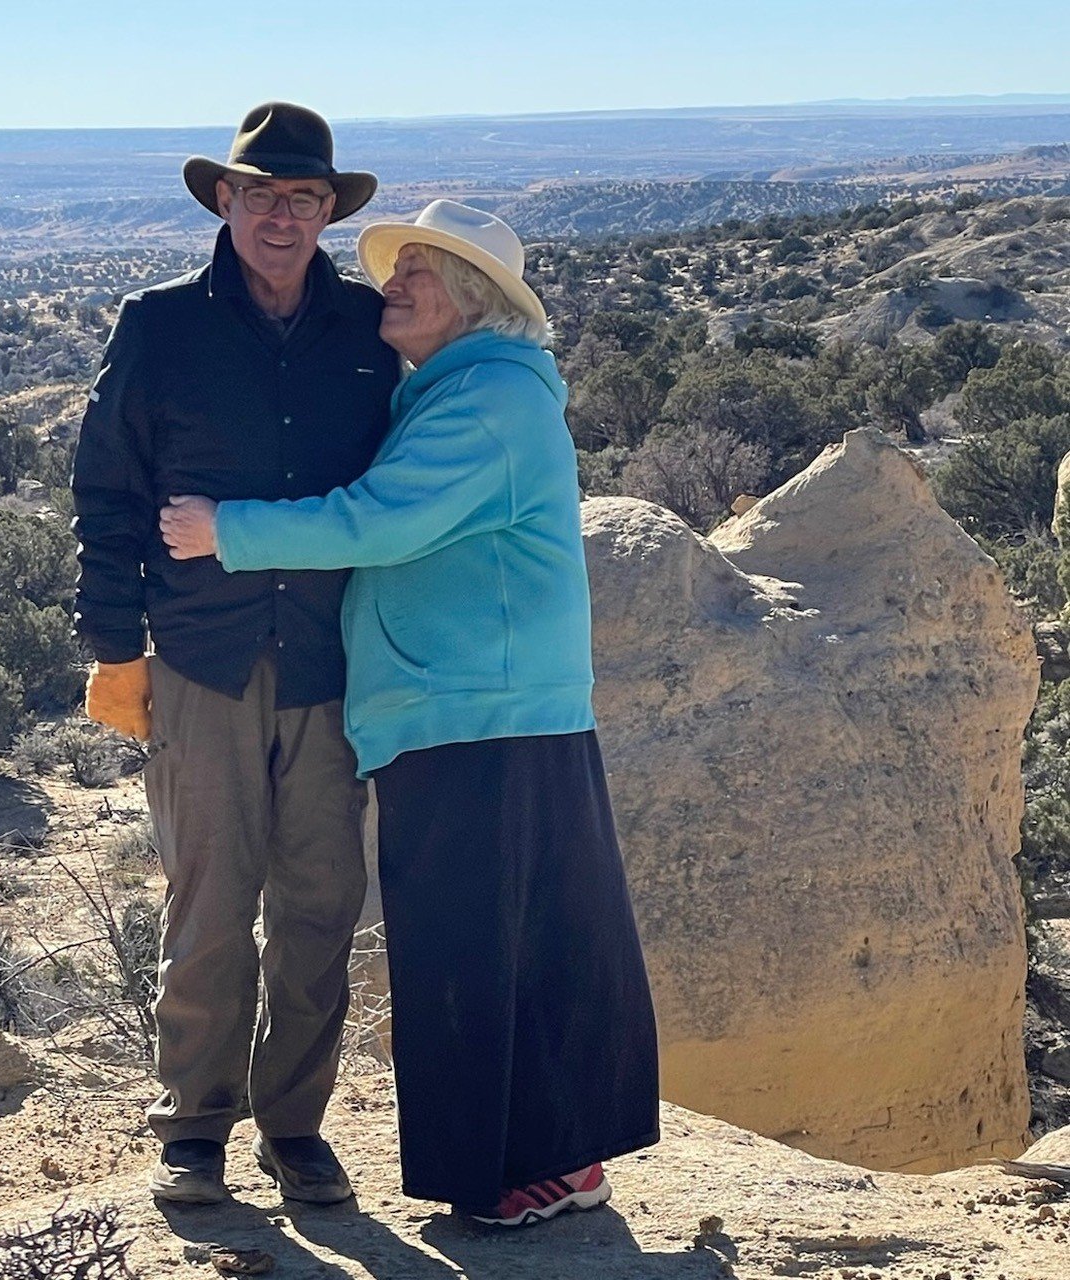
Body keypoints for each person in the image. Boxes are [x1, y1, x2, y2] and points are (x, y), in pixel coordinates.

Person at [159, 199, 660, 1226]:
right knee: (512, 939)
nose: (396, 283)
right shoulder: (457, 390)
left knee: (476, 946)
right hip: (474, 701)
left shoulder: (485, 403)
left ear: (473, 300)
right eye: (396, 267)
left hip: (480, 706)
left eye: (423, 270)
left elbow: (383, 520)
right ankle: (552, 1161)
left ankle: (525, 1169)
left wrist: (228, 531)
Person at [71, 102, 399, 1205]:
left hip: (328, 659)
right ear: (225, 200)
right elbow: (107, 490)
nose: (281, 215)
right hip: (200, 660)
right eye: (261, 193)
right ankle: (194, 1123)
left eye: (304, 198)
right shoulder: (159, 325)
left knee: (320, 899)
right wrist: (117, 647)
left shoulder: (366, 329)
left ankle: (293, 1125)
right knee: (208, 903)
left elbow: (402, 488)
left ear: (326, 212)